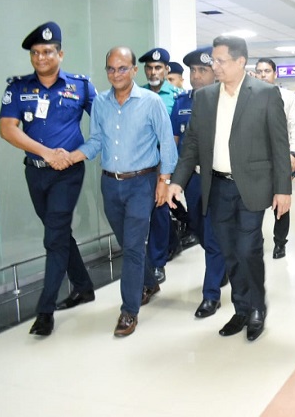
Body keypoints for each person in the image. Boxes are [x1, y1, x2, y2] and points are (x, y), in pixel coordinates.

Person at [167, 36, 291, 342]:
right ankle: (241, 308)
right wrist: (177, 181)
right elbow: (192, 143)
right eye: (214, 60)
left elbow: (279, 145)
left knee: (248, 248)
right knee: (229, 251)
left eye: (220, 61)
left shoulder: (265, 94)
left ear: (240, 62)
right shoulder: (205, 97)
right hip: (217, 186)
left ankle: (257, 307)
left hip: (252, 186)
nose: (215, 66)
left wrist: (283, 189)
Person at [69, 46, 177, 337]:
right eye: (111, 69)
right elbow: (96, 141)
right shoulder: (100, 103)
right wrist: (72, 156)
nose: (116, 74)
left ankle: (129, 310)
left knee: (132, 247)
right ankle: (149, 282)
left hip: (142, 183)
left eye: (122, 68)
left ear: (133, 70)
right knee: (127, 242)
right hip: (110, 184)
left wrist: (164, 181)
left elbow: (167, 142)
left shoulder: (151, 102)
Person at [0, 21, 96, 336]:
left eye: (47, 52)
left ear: (60, 54)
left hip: (68, 173)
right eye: (35, 53)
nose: (40, 57)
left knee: (54, 237)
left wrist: (78, 154)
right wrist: (46, 153)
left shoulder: (81, 86)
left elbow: (105, 123)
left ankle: (45, 310)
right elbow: (7, 129)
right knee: (58, 232)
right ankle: (84, 286)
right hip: (35, 172)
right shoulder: (18, 87)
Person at [170, 46, 227, 318]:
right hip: (192, 177)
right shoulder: (181, 102)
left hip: (217, 176)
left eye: (202, 70)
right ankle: (222, 264)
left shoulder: (225, 101)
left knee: (213, 234)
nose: (196, 76)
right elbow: (175, 143)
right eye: (193, 70)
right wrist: (173, 179)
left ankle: (210, 294)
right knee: (197, 227)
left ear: (214, 72)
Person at [139, 47, 183, 285]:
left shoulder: (177, 97)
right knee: (147, 212)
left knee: (159, 209)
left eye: (158, 67)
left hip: (164, 161)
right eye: (149, 68)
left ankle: (157, 263)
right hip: (140, 162)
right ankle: (171, 243)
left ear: (166, 70)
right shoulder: (136, 94)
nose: (153, 72)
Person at [254, 58, 295, 259]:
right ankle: (255, 240)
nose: (263, 75)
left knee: (281, 201)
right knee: (254, 202)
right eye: (259, 71)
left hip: (280, 158)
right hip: (256, 160)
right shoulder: (248, 97)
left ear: (275, 74)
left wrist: (293, 153)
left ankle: (280, 242)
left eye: (267, 71)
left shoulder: (287, 97)